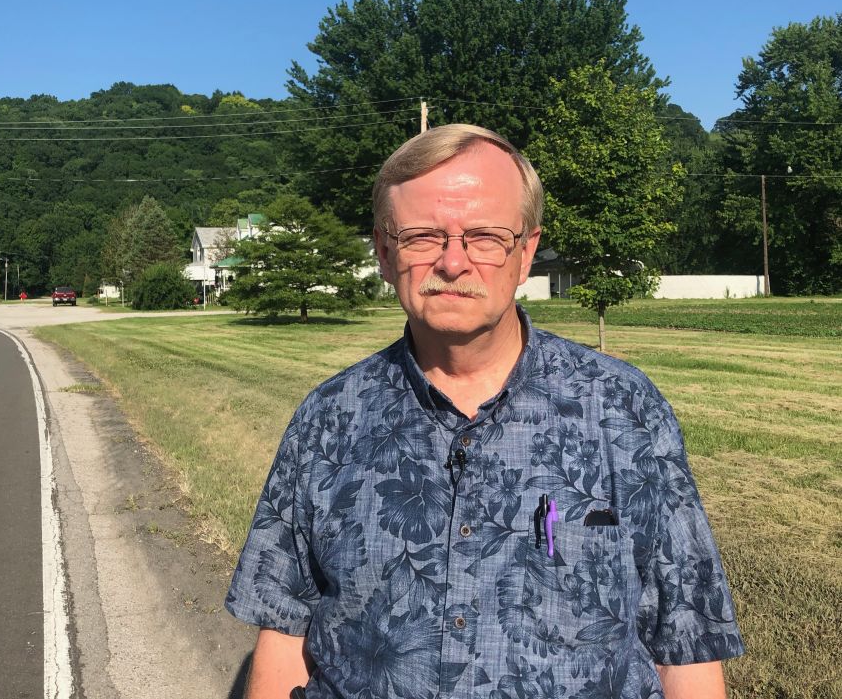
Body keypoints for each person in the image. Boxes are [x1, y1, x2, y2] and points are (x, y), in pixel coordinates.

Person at [225, 125, 744, 699]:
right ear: (383, 251)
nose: (453, 262)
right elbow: (284, 631)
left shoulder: (623, 410)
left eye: (486, 236)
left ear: (525, 254)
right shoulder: (327, 420)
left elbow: (686, 641)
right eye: (422, 236)